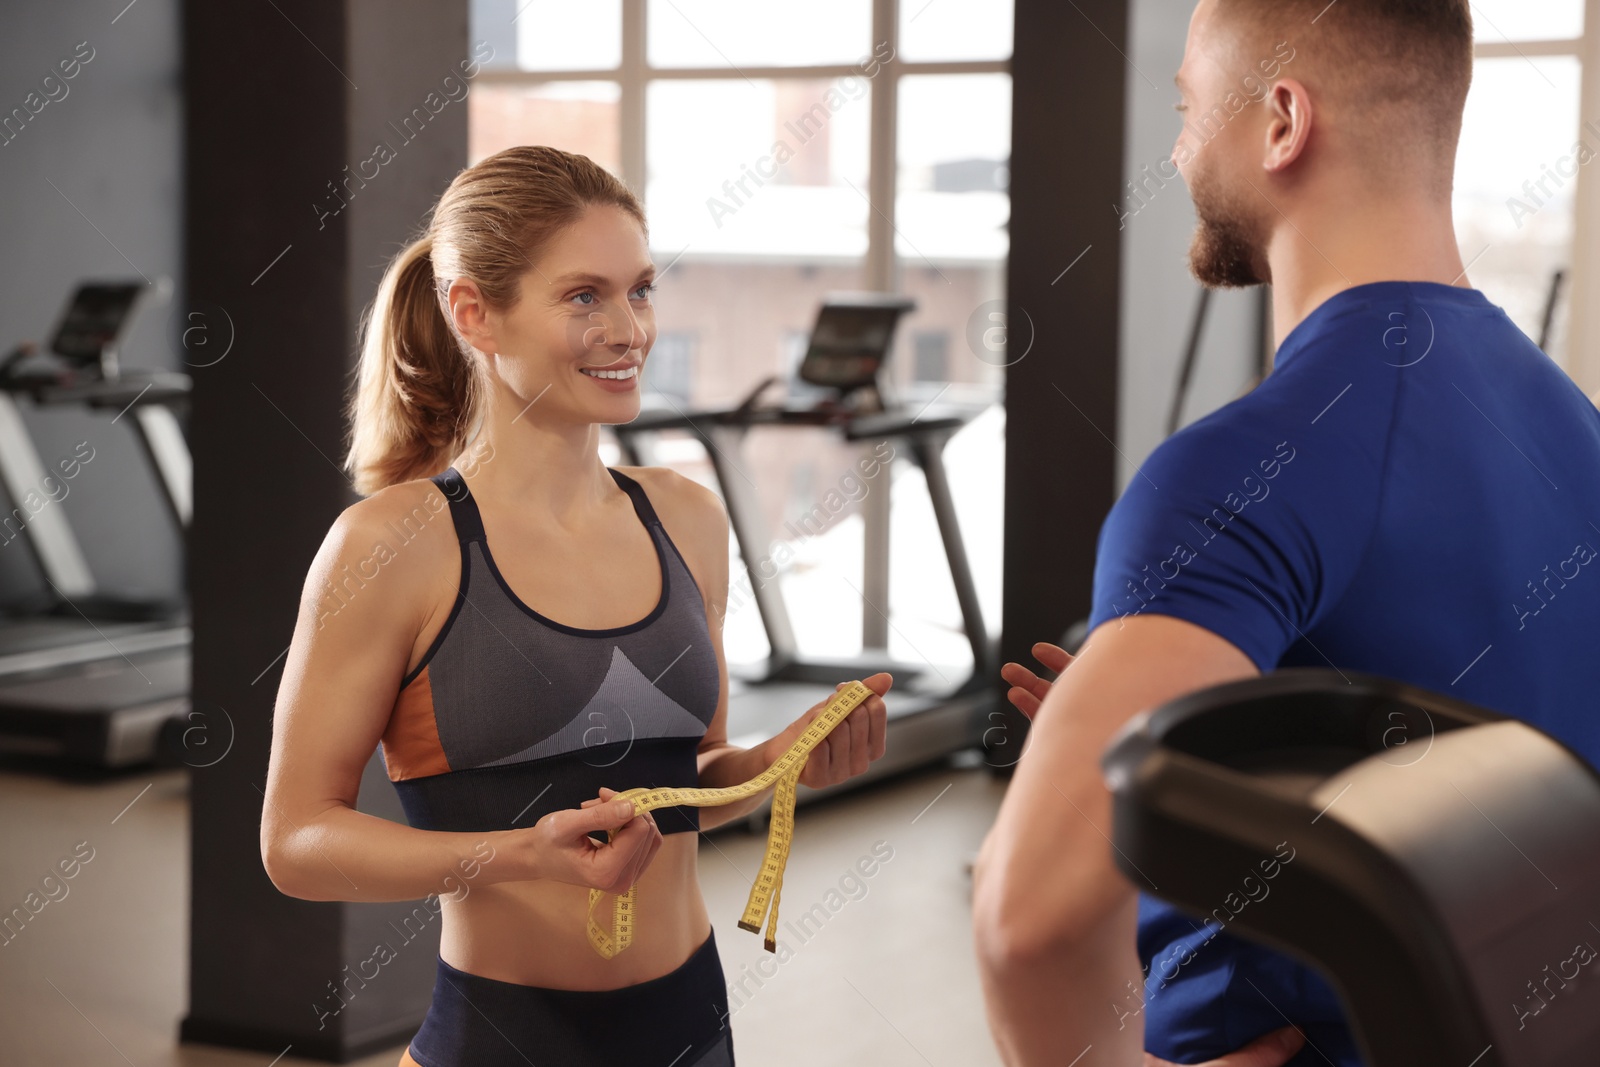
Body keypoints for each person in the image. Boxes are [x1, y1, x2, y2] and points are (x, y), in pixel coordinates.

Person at [972, 1, 1600, 1065]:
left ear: (1280, 121)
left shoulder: (1238, 468)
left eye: (1185, 109)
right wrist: (1137, 775)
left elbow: (1026, 926)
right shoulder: (1570, 422)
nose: (1174, 148)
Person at [258, 144, 890, 1067]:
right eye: (583, 296)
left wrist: (768, 766)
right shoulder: (392, 546)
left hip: (693, 1031)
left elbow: (692, 778)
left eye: (640, 289)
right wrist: (519, 854)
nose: (630, 327)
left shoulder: (686, 516)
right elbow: (295, 841)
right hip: (499, 1041)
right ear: (477, 312)